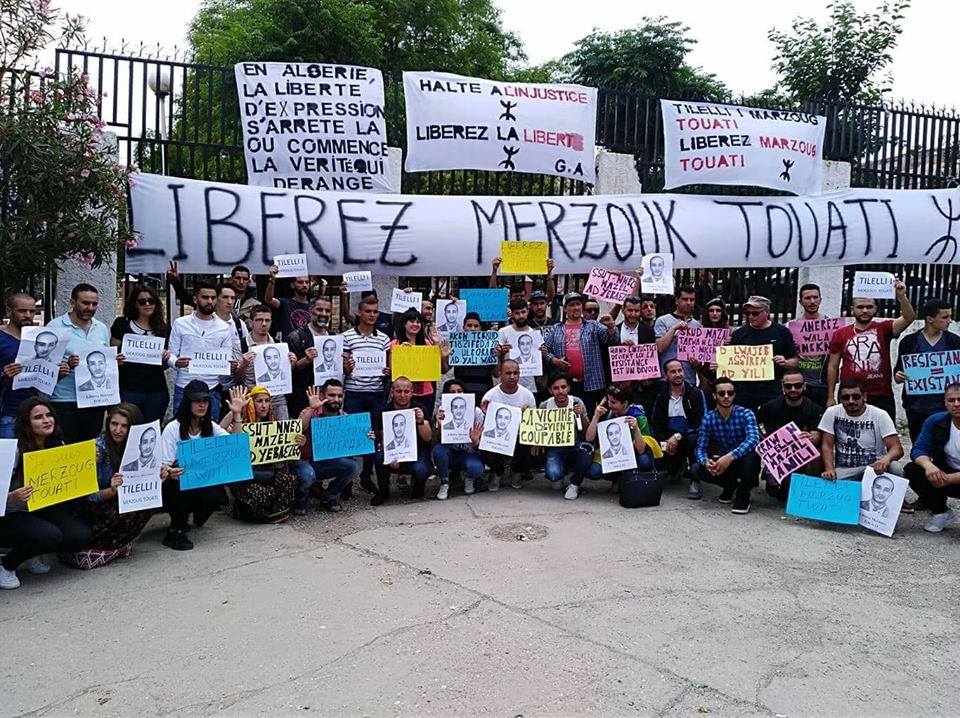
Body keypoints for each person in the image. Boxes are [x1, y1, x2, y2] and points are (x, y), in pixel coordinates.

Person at [0, 398, 93, 589]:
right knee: (49, 535)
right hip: (11, 514)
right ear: (27, 422)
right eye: (38, 417)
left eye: (49, 415)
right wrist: (11, 496)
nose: (46, 420)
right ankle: (7, 565)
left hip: (41, 509)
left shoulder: (58, 445)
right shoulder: (14, 450)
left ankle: (33, 553)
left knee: (80, 535)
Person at [68, 404, 159, 569]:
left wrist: (160, 475)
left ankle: (112, 548)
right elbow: (86, 496)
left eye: (124, 426)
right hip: (91, 508)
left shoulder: (140, 447)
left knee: (148, 503)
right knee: (121, 510)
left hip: (117, 502)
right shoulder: (98, 450)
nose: (118, 430)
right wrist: (110, 491)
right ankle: (109, 548)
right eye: (114, 424)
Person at [158, 379, 243, 550]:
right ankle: (176, 529)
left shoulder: (209, 426)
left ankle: (197, 514)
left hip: (200, 481)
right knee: (180, 485)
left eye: (205, 401)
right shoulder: (173, 428)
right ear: (188, 402)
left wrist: (237, 415)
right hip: (174, 485)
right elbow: (163, 466)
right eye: (197, 401)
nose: (201, 405)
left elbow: (236, 445)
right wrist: (171, 471)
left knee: (216, 495)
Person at [826, 278, 915, 421]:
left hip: (881, 394)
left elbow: (909, 318)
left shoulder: (884, 328)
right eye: (860, 307)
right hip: (850, 395)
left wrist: (901, 296)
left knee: (883, 436)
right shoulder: (840, 334)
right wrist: (830, 396)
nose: (865, 310)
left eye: (869, 306)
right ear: (852, 309)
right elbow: (833, 366)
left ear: (875, 309)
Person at [46, 283, 115, 442]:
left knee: (89, 448)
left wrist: (113, 361)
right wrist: (67, 365)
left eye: (94, 303)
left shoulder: (101, 328)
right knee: (66, 449)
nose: (90, 307)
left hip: (94, 400)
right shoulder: (55, 326)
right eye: (85, 303)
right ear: (72, 302)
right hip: (64, 400)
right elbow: (44, 368)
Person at [228, 386, 299, 522]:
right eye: (259, 401)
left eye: (267, 401)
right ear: (250, 403)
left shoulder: (275, 425)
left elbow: (286, 449)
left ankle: (275, 514)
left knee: (289, 480)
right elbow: (224, 432)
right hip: (245, 477)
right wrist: (235, 411)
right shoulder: (239, 423)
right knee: (263, 493)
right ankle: (246, 512)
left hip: (268, 473)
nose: (264, 405)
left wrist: (296, 441)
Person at [342, 294, 391, 492]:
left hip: (377, 394)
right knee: (352, 437)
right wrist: (346, 367)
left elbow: (389, 366)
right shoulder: (347, 337)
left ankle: (366, 475)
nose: (372, 315)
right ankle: (347, 481)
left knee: (373, 437)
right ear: (360, 313)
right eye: (368, 311)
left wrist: (389, 371)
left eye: (375, 312)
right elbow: (342, 368)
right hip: (354, 393)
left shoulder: (384, 339)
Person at [294, 381, 367, 513]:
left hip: (327, 462)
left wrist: (367, 437)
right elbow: (300, 427)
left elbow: (353, 443)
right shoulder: (310, 411)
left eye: (339, 396)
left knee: (353, 466)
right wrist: (311, 408)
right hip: (305, 462)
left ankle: (329, 495)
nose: (336, 399)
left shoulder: (344, 417)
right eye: (331, 395)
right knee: (307, 476)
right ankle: (300, 499)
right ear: (322, 396)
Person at [691, 378, 761, 514]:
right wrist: (706, 462)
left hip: (743, 459)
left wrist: (730, 456)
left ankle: (743, 496)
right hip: (725, 463)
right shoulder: (708, 418)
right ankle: (730, 486)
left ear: (734, 395)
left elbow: (753, 439)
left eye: (730, 393)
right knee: (696, 468)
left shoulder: (746, 413)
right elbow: (700, 447)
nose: (726, 397)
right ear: (714, 396)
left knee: (752, 456)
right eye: (722, 393)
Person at [894, 298, 960, 442]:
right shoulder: (909, 342)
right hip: (917, 407)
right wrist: (898, 376)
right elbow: (899, 369)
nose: (950, 321)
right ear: (930, 319)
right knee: (919, 446)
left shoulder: (955, 342)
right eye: (945, 317)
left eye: (950, 316)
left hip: (944, 408)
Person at [543, 292, 619, 413]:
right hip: (565, 385)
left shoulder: (593, 325)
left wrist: (611, 328)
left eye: (578, 304)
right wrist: (555, 361)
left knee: (587, 415)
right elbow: (543, 350)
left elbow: (610, 340)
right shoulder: (555, 329)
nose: (576, 307)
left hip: (591, 383)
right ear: (565, 309)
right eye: (572, 305)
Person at [167, 280, 234, 417]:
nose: (209, 301)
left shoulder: (224, 328)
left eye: (213, 298)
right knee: (181, 432)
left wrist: (230, 365)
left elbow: (227, 359)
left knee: (210, 434)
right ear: (195, 299)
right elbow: (171, 354)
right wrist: (176, 362)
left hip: (211, 388)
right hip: (184, 386)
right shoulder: (180, 323)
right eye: (205, 297)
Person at [756, 370, 824, 502]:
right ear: (782, 386)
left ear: (804, 386)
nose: (793, 389)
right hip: (778, 456)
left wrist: (810, 437)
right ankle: (770, 475)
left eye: (797, 385)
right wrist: (764, 435)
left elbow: (817, 435)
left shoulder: (814, 408)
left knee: (818, 454)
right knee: (778, 496)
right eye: (788, 386)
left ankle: (809, 489)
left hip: (802, 456)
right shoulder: (771, 406)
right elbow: (758, 423)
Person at [819, 379, 904, 482]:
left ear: (864, 396)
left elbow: (897, 448)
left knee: (896, 468)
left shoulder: (880, 415)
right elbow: (827, 445)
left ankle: (897, 497)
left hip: (875, 467)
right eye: (846, 397)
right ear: (840, 399)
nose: (851, 401)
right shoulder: (832, 412)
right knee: (828, 481)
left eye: (856, 397)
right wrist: (829, 469)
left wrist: (886, 459)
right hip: (844, 469)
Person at [582, 384, 660, 497]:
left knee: (645, 461)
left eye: (613, 402)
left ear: (625, 403)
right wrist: (596, 416)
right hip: (612, 456)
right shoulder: (605, 411)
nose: (609, 404)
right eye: (608, 401)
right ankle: (617, 477)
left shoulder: (638, 416)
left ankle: (634, 478)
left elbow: (641, 449)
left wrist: (636, 429)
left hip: (634, 455)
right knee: (594, 472)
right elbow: (589, 438)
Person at [904, 382, 960, 533]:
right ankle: (941, 512)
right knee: (913, 469)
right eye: (951, 400)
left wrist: (948, 479)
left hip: (952, 477)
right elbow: (918, 449)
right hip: (946, 472)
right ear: (945, 403)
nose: (956, 404)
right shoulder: (935, 421)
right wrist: (929, 466)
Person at [110, 285, 170, 423]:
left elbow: (165, 365)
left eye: (151, 300)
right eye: (142, 301)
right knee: (128, 431)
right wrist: (116, 359)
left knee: (150, 432)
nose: (147, 304)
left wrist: (166, 359)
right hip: (128, 390)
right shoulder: (121, 324)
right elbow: (112, 353)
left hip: (156, 391)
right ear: (135, 304)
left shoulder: (163, 329)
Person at [727, 295, 798, 412]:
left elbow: (795, 362)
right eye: (747, 313)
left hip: (772, 391)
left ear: (767, 312)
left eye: (755, 313)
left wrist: (785, 362)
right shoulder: (739, 334)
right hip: (744, 393)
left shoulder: (782, 332)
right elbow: (731, 362)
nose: (750, 317)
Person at [287, 296, 352, 419]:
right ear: (311, 310)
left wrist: (346, 367)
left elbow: (339, 370)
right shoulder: (297, 336)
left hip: (330, 400)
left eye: (327, 311)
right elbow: (290, 370)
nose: (324, 314)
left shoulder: (334, 337)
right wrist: (306, 360)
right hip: (304, 398)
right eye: (320, 309)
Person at [650, 359, 707, 498]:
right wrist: (664, 441)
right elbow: (656, 423)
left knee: (695, 440)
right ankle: (674, 468)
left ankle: (695, 480)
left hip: (689, 436)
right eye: (673, 372)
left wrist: (677, 436)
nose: (677, 374)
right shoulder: (661, 396)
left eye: (680, 370)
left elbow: (702, 423)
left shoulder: (696, 394)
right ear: (666, 376)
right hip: (668, 439)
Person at [374, 377, 433, 505]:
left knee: (421, 469)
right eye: (398, 391)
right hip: (394, 451)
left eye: (406, 391)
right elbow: (384, 438)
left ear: (412, 392)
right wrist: (390, 456)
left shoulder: (419, 408)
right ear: (392, 392)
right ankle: (383, 491)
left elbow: (428, 438)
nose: (402, 395)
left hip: (417, 452)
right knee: (379, 457)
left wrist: (421, 421)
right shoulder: (384, 411)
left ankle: (418, 485)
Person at [480, 359, 536, 491]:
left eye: (515, 373)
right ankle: (498, 472)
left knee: (533, 442)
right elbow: (485, 424)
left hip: (519, 435)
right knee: (484, 442)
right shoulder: (491, 395)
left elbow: (533, 424)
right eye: (508, 373)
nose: (512, 376)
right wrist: (485, 412)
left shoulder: (527, 395)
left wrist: (528, 414)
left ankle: (517, 471)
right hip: (498, 437)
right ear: (500, 374)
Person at [535, 374, 592, 499]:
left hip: (575, 445)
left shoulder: (577, 402)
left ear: (569, 388)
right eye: (556, 388)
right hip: (555, 448)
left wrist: (581, 415)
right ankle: (560, 473)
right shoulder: (544, 406)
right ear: (550, 390)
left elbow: (587, 432)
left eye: (563, 387)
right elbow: (538, 430)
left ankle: (574, 484)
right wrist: (538, 441)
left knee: (587, 451)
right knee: (554, 474)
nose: (560, 391)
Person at [1, 292, 48, 438]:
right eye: (22, 311)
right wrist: (4, 375)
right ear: (9, 311)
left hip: (35, 413)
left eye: (32, 311)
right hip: (8, 413)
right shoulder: (1, 339)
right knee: (8, 460)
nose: (28, 315)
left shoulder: (40, 341)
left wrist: (59, 373)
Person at [236, 305, 296, 420]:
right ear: (251, 322)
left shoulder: (279, 344)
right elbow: (237, 379)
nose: (263, 324)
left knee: (282, 436)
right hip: (252, 402)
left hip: (278, 401)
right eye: (259, 320)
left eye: (267, 320)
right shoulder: (241, 346)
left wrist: (292, 363)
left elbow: (285, 375)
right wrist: (244, 363)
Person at [388, 308, 450, 415]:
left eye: (418, 322)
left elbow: (440, 370)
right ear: (404, 324)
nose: (415, 324)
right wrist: (400, 352)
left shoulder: (427, 343)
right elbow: (392, 371)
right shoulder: (395, 344)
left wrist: (437, 347)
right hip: (404, 394)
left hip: (426, 393)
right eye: (412, 321)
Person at [432, 379, 486, 499]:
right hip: (450, 453)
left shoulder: (476, 412)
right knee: (438, 450)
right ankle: (444, 483)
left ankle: (469, 478)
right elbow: (440, 440)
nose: (456, 394)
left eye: (459, 391)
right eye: (452, 392)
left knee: (477, 468)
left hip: (470, 453)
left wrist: (476, 440)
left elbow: (483, 446)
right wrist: (441, 426)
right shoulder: (442, 412)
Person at [654, 284, 701, 386]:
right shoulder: (663, 321)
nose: (689, 303)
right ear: (676, 300)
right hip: (666, 381)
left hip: (689, 380)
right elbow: (660, 348)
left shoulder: (697, 325)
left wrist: (697, 363)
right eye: (685, 299)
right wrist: (674, 328)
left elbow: (699, 355)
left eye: (692, 300)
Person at [793, 284, 830, 407]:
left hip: (822, 385)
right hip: (799, 386)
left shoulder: (831, 325)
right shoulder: (791, 327)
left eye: (815, 297)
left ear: (821, 299)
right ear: (800, 302)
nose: (812, 301)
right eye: (808, 298)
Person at [497, 299, 543, 396]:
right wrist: (501, 352)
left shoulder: (534, 333)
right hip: (506, 385)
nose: (521, 316)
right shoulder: (503, 332)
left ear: (528, 312)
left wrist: (542, 353)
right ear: (512, 314)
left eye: (523, 312)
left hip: (529, 385)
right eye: (517, 313)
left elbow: (540, 361)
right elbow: (497, 360)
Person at [453, 311, 494, 403]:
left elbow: (496, 374)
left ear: (480, 328)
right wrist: (445, 355)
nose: (473, 329)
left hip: (484, 395)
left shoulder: (488, 346)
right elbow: (444, 370)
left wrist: (499, 357)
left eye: (476, 326)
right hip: (463, 395)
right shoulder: (457, 346)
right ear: (464, 328)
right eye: (469, 325)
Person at [695, 297, 730, 404]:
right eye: (711, 311)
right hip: (706, 378)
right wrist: (701, 377)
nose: (715, 313)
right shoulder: (700, 333)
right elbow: (696, 357)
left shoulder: (730, 332)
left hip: (725, 378)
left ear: (723, 313)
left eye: (718, 310)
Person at [265, 265, 314, 340]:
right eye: (300, 282)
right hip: (289, 348)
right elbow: (269, 300)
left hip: (309, 347)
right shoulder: (285, 303)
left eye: (307, 282)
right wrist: (273, 279)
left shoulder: (314, 306)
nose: (304, 285)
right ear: (292, 285)